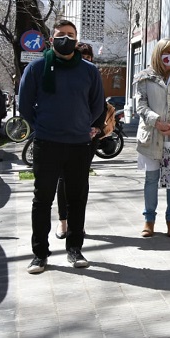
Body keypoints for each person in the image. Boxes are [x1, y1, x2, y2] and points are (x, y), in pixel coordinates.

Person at [19, 20, 104, 274]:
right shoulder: (36, 68)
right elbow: (25, 105)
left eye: (70, 35)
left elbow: (97, 105)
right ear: (51, 39)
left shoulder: (89, 71)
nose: (65, 38)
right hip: (46, 144)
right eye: (60, 35)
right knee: (42, 199)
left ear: (77, 40)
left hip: (79, 145)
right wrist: (44, 126)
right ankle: (40, 254)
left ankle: (75, 249)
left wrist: (80, 125)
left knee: (77, 199)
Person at [54, 43, 108, 239]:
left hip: (88, 138)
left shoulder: (94, 76)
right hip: (63, 137)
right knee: (63, 180)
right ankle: (63, 222)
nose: (86, 59)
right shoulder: (64, 74)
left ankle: (78, 224)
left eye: (89, 56)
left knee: (80, 181)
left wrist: (97, 127)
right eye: (82, 55)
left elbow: (100, 105)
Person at [134, 39, 170, 238]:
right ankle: (149, 220)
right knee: (151, 179)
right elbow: (141, 105)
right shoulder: (145, 77)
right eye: (166, 51)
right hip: (151, 135)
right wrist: (156, 121)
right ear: (157, 53)